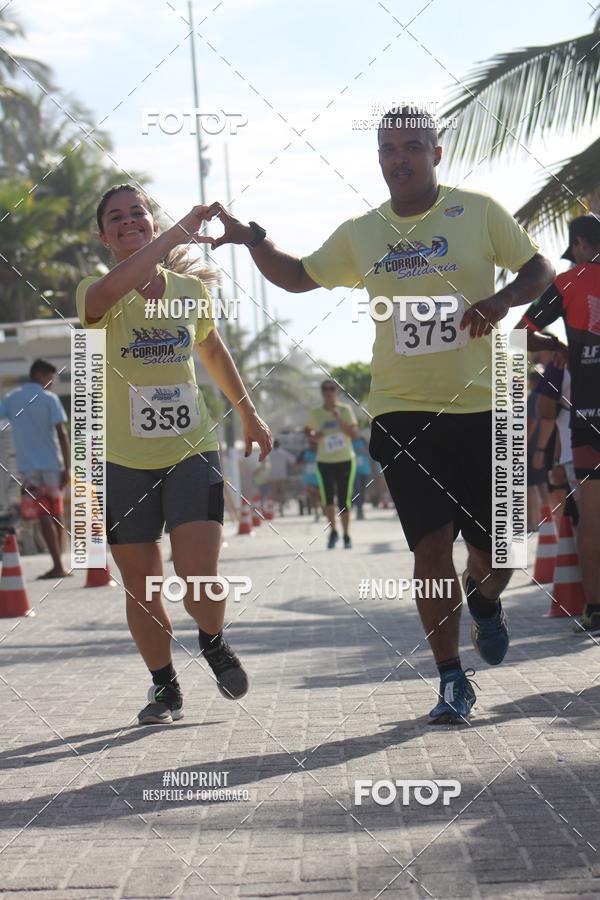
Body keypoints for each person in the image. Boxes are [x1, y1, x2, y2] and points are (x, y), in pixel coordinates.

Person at [206, 106, 555, 723]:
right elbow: (297, 276)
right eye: (390, 149)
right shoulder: (362, 233)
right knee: (428, 549)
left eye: (413, 146)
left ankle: (486, 600)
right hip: (401, 411)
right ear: (378, 159)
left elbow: (539, 268)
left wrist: (501, 299)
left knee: (499, 554)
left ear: (436, 153)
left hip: (482, 405)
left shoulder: (477, 212)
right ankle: (451, 679)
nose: (401, 158)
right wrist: (254, 239)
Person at [76, 183, 272, 725]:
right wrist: (172, 239)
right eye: (115, 217)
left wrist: (250, 414)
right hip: (121, 461)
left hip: (192, 450)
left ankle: (211, 641)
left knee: (200, 576)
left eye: (137, 212)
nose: (127, 220)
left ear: (152, 220)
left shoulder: (189, 290)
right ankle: (165, 687)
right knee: (142, 589)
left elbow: (210, 348)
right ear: (104, 235)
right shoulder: (98, 292)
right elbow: (102, 299)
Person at [519, 213, 600, 635]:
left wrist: (555, 344)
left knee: (591, 515)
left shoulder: (569, 283)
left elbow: (520, 336)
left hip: (588, 416)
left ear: (583, 244)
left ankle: (595, 610)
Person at [0, 359, 70, 578]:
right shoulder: (50, 399)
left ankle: (58, 564)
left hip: (29, 469)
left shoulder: (12, 398)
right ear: (40, 376)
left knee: (43, 516)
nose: (52, 383)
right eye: (51, 378)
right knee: (56, 514)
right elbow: (62, 433)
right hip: (53, 466)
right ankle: (60, 564)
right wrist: (67, 468)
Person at [305, 381, 359, 549]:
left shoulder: (345, 410)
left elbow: (355, 434)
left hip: (345, 460)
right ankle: (333, 531)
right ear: (321, 393)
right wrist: (315, 436)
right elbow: (307, 431)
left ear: (336, 392)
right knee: (327, 498)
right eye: (325, 389)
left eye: (331, 389)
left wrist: (339, 420)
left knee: (344, 500)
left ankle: (346, 534)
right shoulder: (316, 413)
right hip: (325, 461)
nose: (328, 392)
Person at [266, 439, 296, 515]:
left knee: (275, 492)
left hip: (273, 476)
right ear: (279, 445)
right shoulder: (283, 453)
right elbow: (293, 460)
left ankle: (276, 507)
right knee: (283, 492)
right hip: (282, 476)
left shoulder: (270, 453)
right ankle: (281, 507)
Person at [297, 438, 320, 520]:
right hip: (309, 479)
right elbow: (297, 463)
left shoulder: (321, 452)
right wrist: (304, 462)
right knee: (313, 496)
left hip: (319, 479)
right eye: (312, 444)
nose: (313, 446)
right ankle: (316, 512)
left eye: (315, 444)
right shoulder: (305, 452)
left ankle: (320, 510)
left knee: (319, 496)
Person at [352, 433, 372, 520]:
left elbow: (370, 452)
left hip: (365, 470)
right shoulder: (349, 441)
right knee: (357, 489)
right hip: (354, 471)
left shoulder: (363, 440)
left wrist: (362, 450)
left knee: (363, 490)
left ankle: (360, 508)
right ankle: (359, 509)